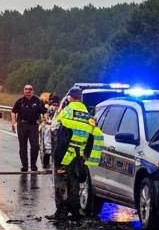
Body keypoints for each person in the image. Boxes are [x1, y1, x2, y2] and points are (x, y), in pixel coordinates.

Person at [48, 88, 103, 222]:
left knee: (60, 183)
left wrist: (57, 157)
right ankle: (75, 212)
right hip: (79, 157)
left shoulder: (66, 111)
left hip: (65, 154)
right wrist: (86, 156)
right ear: (82, 99)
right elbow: (93, 137)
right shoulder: (89, 117)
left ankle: (61, 212)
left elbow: (55, 129)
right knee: (75, 184)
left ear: (70, 98)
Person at [11, 84, 47, 172]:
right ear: (24, 91)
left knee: (35, 146)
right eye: (26, 90)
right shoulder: (20, 101)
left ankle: (33, 165)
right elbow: (13, 112)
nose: (28, 92)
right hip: (22, 125)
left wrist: (45, 121)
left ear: (32, 91)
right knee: (23, 146)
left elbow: (44, 112)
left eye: (30, 90)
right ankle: (25, 166)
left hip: (33, 125)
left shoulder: (38, 101)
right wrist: (13, 123)